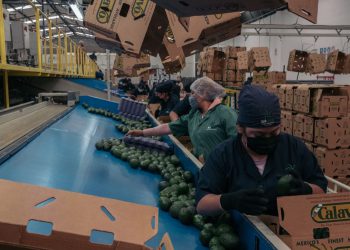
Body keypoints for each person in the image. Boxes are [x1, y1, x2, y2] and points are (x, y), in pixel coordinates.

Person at [196, 85, 327, 217]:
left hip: (286, 232)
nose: (267, 139)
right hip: (241, 233)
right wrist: (228, 201)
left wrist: (306, 189)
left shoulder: (294, 148)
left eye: (274, 132)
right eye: (258, 135)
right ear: (240, 128)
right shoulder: (224, 154)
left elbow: (321, 189)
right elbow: (201, 204)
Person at [127, 77, 238, 161]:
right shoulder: (194, 114)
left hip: (224, 171)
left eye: (193, 93)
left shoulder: (225, 114)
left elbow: (239, 144)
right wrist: (142, 133)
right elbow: (168, 127)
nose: (190, 96)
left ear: (204, 93)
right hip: (203, 166)